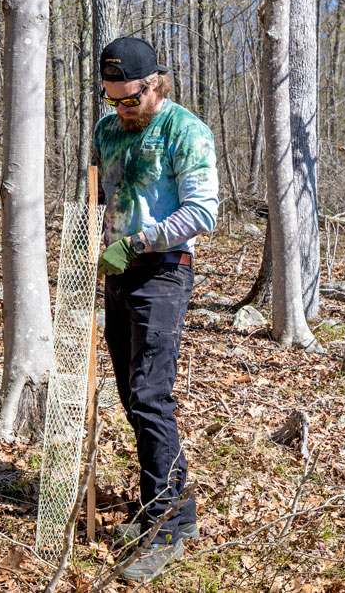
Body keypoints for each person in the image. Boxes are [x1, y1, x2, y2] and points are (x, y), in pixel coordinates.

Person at [94, 37, 219, 583]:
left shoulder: (185, 132)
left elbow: (202, 211)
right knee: (129, 393)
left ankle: (172, 521)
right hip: (115, 272)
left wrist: (140, 243)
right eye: (112, 100)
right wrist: (90, 245)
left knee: (150, 394)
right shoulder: (105, 132)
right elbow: (101, 200)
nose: (122, 109)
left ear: (155, 84)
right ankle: (157, 504)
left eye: (130, 99)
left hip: (164, 272)